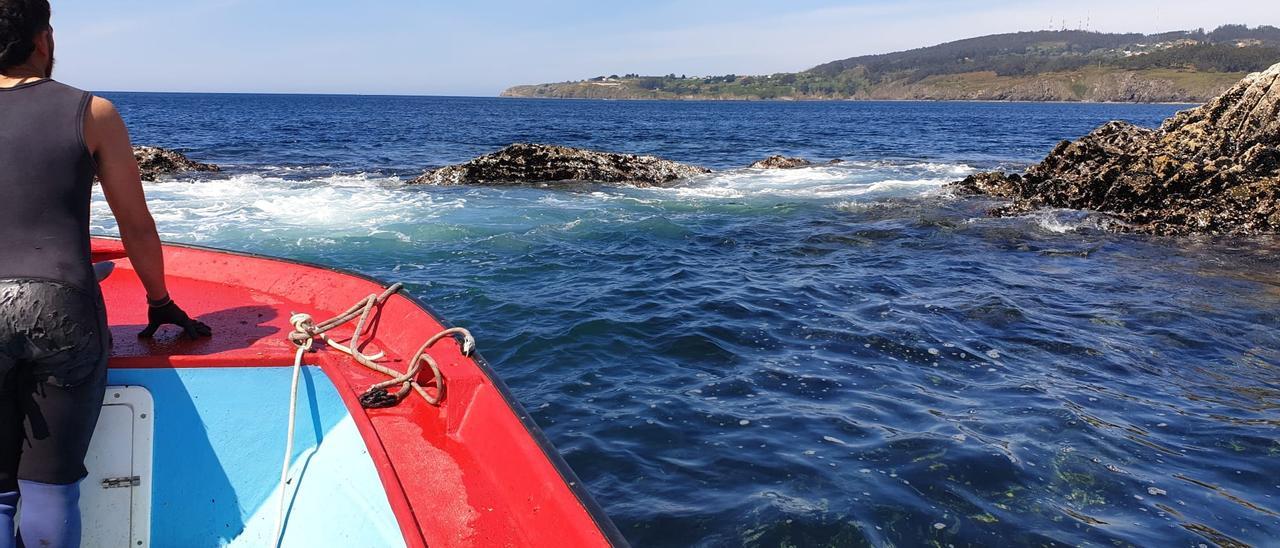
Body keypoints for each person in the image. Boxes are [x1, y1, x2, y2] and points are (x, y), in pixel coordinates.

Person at [0, 1, 211, 546]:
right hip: (60, 306)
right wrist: (160, 300)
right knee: (50, 489)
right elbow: (136, 226)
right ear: (43, 40)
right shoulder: (92, 112)